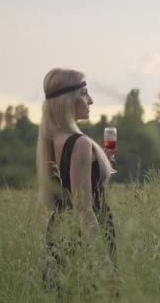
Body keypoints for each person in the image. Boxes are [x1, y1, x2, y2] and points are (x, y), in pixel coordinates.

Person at [36, 68, 118, 298]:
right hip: (87, 238)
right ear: (69, 100)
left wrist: (102, 162)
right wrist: (103, 260)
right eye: (85, 93)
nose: (90, 100)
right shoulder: (80, 143)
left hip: (60, 233)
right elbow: (83, 207)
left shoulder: (51, 139)